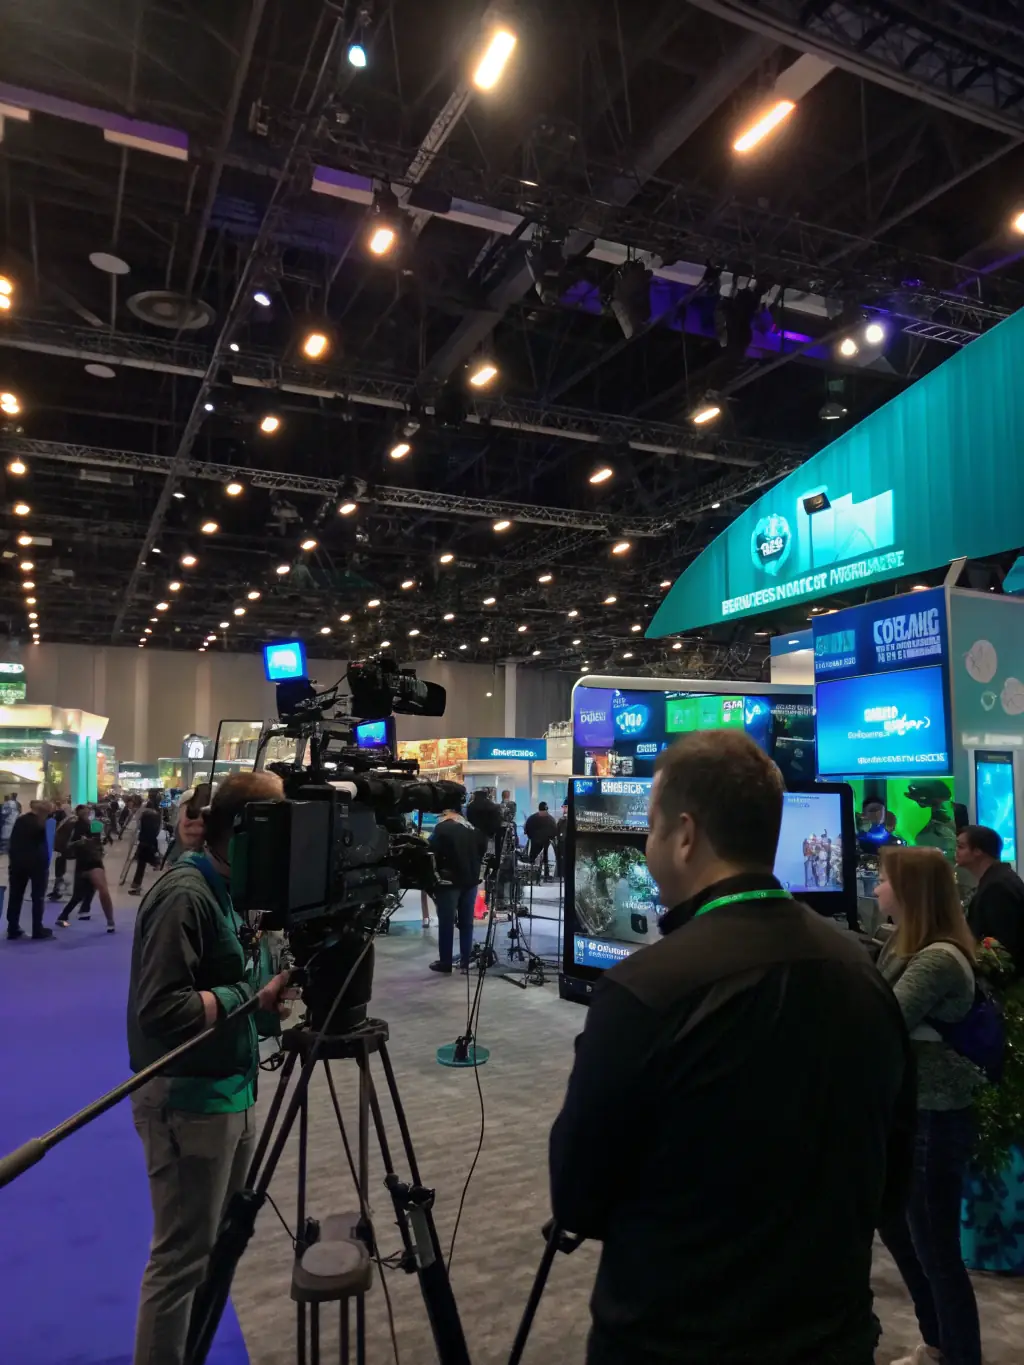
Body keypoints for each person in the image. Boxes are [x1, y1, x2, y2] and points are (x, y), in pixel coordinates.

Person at [549, 731, 915, 1365]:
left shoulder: (643, 992)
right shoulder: (865, 975)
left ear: (685, 835)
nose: (647, 844)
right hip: (834, 1339)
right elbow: (892, 1180)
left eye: (653, 827)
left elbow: (579, 1197)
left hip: (671, 1341)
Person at [127, 771, 294, 1365]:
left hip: (229, 1089)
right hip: (186, 1100)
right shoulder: (186, 894)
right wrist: (244, 995)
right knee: (180, 1262)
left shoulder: (222, 885)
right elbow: (160, 1009)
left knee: (217, 1249)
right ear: (246, 831)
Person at [875, 846, 984, 1365]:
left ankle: (958, 1353)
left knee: (937, 1252)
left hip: (935, 1120)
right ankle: (937, 1343)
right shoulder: (901, 944)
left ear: (911, 891)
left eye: (883, 880)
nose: (876, 889)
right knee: (903, 1234)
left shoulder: (938, 958)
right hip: (909, 1115)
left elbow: (884, 1019)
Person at [956, 823, 1024, 977]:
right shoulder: (997, 880)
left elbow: (1003, 951)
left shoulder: (998, 887)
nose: (956, 852)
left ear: (978, 851)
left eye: (961, 847)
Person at [427, 801, 481, 974]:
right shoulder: (472, 830)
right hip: (471, 882)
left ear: (446, 813)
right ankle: (466, 960)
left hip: (449, 883)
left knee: (446, 923)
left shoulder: (441, 829)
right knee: (467, 923)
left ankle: (446, 962)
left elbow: (430, 850)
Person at [6, 800, 56, 940]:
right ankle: (37, 929)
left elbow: (13, 842)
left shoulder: (20, 821)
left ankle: (13, 927)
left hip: (17, 864)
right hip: (37, 865)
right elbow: (43, 845)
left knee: (15, 896)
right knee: (38, 897)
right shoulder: (41, 824)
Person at [56, 816, 116, 932]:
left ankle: (108, 920)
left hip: (92, 864)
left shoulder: (93, 829)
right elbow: (66, 849)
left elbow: (100, 842)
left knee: (97, 890)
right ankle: (69, 915)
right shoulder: (76, 829)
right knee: (81, 894)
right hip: (85, 864)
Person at [130, 790, 164, 895]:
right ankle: (136, 885)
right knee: (144, 863)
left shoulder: (144, 812)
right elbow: (159, 828)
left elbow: (138, 825)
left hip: (144, 841)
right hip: (151, 841)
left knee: (148, 863)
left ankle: (137, 885)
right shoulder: (158, 813)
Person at [524, 801, 558, 881]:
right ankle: (546, 875)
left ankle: (531, 876)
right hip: (546, 843)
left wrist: (532, 838)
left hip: (535, 842)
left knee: (532, 859)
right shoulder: (551, 819)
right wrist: (549, 839)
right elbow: (555, 831)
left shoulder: (532, 818)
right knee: (545, 859)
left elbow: (527, 830)